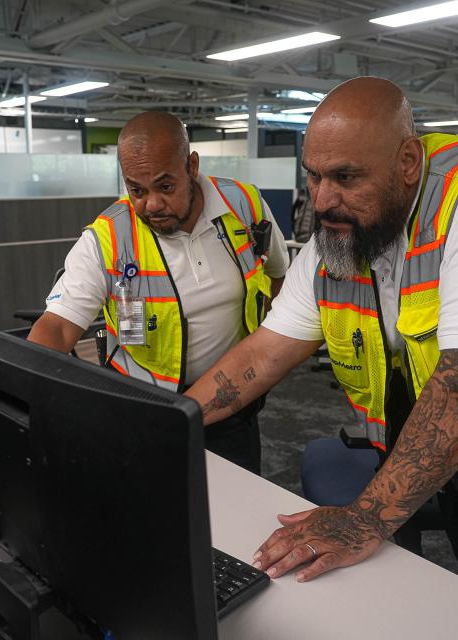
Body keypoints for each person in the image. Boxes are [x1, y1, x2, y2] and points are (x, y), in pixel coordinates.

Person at [185, 77, 458, 610]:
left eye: (346, 177)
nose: (323, 200)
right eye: (314, 176)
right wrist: (169, 422)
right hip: (433, 431)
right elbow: (263, 353)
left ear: (406, 162)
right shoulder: (343, 235)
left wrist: (363, 519)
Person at [28, 111, 289, 474]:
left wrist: (263, 357)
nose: (150, 204)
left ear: (192, 166)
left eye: (165, 186)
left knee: (236, 516)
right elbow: (55, 328)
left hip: (231, 407)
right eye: (137, 189)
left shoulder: (244, 204)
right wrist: (24, 397)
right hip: (142, 408)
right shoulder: (108, 237)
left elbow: (279, 276)